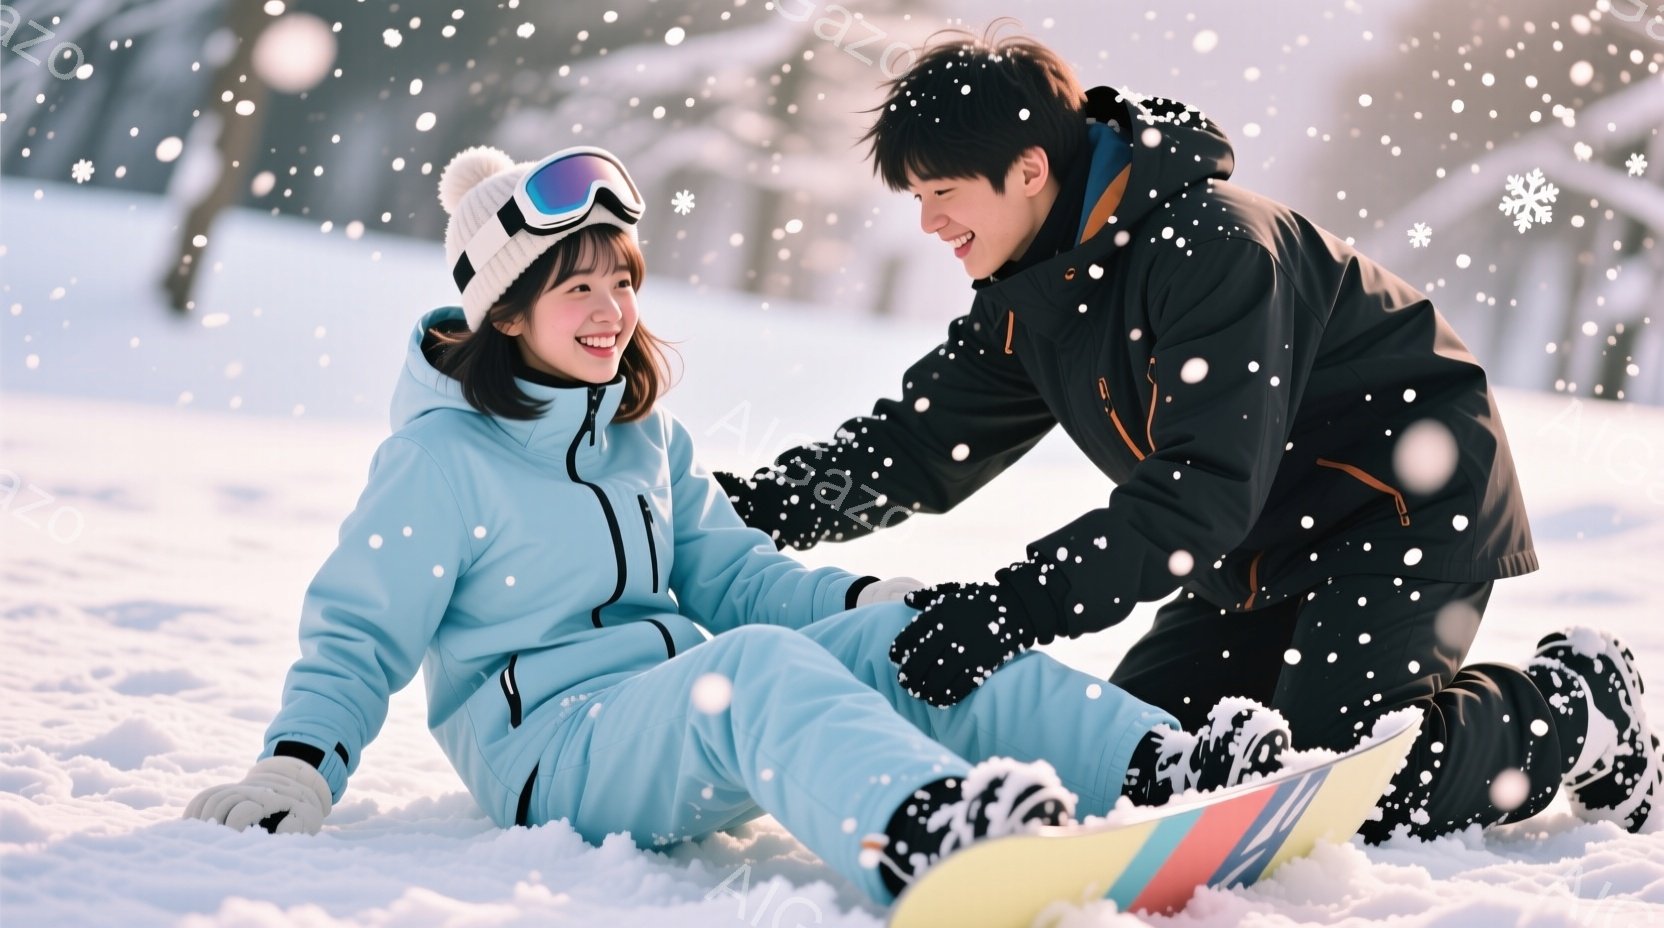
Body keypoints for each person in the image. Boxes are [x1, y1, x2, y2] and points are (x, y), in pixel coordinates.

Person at [181, 143, 1300, 903]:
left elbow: (738, 576)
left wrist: (869, 600)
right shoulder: (439, 459)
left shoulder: (641, 436)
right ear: (506, 313)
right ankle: (927, 833)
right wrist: (296, 766)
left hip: (664, 707)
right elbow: (360, 630)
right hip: (548, 756)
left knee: (905, 638)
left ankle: (1160, 766)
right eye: (576, 290)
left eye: (622, 282)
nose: (613, 312)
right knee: (749, 668)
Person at [715, 25, 1662, 838]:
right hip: (1250, 540)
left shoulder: (1211, 248)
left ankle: (1573, 704)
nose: (929, 222)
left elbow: (1200, 488)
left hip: (1398, 504)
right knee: (1154, 764)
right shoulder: (1030, 293)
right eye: (917, 198)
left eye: (943, 192)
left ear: (1030, 170)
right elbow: (921, 446)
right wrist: (742, 512)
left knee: (1336, 787)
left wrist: (1013, 606)